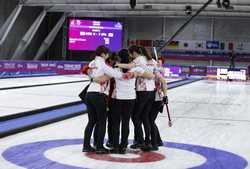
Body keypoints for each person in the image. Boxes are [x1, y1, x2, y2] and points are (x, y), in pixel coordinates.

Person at [83, 46, 125, 154]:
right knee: (102, 121)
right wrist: (124, 73)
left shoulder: (92, 63)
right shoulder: (102, 64)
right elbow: (115, 74)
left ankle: (86, 146)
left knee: (91, 121)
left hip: (89, 93)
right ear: (103, 54)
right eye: (107, 54)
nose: (108, 56)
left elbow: (88, 73)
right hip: (99, 94)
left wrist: (94, 78)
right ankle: (99, 147)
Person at [116, 45, 156, 151]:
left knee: (135, 117)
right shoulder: (151, 60)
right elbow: (154, 75)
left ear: (134, 52)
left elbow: (129, 66)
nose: (130, 56)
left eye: (131, 53)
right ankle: (148, 141)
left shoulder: (138, 60)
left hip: (142, 90)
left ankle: (141, 141)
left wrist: (117, 64)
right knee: (145, 117)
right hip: (151, 90)